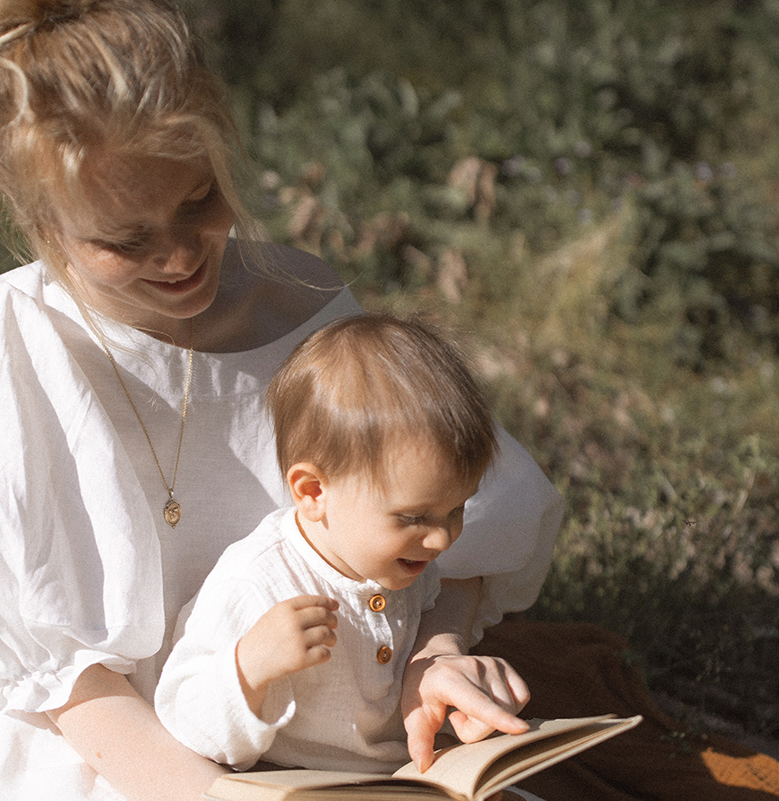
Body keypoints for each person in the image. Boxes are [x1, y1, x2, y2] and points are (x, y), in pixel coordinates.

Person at [0, 1, 563, 800]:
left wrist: (431, 658)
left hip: (318, 731)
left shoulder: (302, 312)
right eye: (126, 239)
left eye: (199, 199)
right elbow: (67, 687)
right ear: (40, 222)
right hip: (107, 743)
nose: (179, 255)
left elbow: (446, 531)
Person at [155, 313, 531, 774]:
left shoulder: (403, 563)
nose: (442, 538)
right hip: (294, 784)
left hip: (399, 774)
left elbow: (432, 621)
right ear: (313, 492)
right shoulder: (257, 583)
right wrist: (250, 666)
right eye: (414, 517)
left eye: (457, 510)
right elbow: (184, 716)